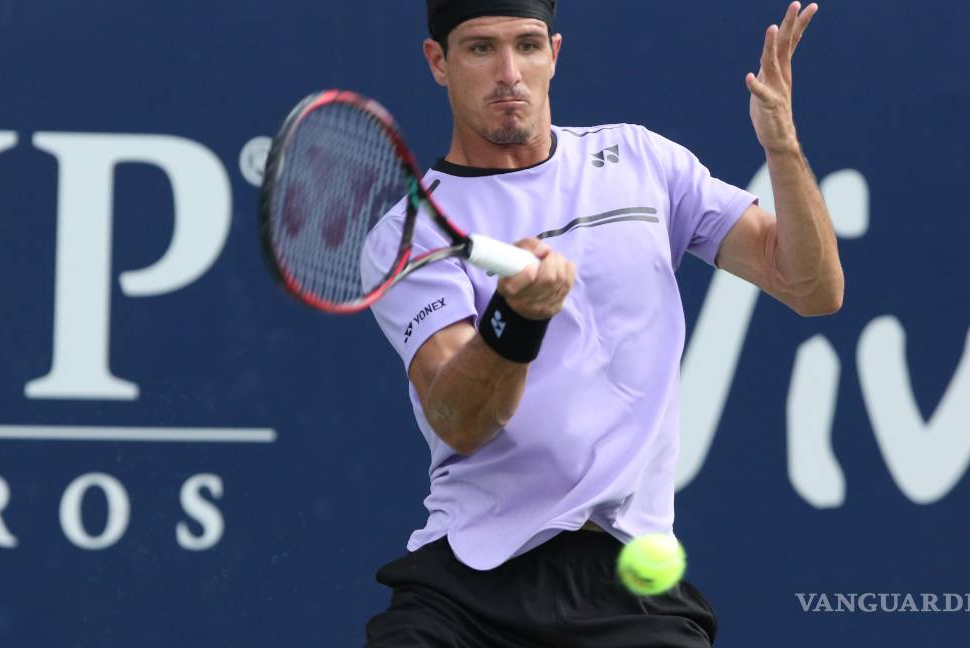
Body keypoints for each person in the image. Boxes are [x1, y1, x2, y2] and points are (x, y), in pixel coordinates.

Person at [360, 0, 843, 645]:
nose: (509, 72)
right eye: (481, 49)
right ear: (438, 62)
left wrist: (781, 145)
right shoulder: (411, 234)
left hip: (629, 581)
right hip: (467, 587)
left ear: (554, 54)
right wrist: (516, 320)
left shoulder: (642, 162)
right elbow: (461, 421)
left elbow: (812, 288)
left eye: (528, 46)